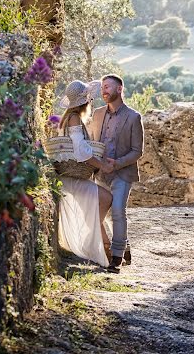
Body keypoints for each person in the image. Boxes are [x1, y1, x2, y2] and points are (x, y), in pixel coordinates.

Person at [54, 80, 114, 267]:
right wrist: (102, 165)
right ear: (85, 101)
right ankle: (96, 239)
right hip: (70, 178)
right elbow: (80, 151)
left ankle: (101, 243)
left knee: (100, 202)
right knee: (105, 198)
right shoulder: (73, 118)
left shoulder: (70, 117)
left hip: (71, 177)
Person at [88, 74, 144, 273]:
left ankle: (116, 257)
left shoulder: (134, 117)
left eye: (108, 87)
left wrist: (117, 163)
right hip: (100, 174)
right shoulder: (97, 114)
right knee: (97, 214)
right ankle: (123, 245)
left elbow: (138, 151)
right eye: (102, 87)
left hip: (123, 173)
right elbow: (93, 142)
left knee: (118, 211)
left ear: (119, 89)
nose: (104, 91)